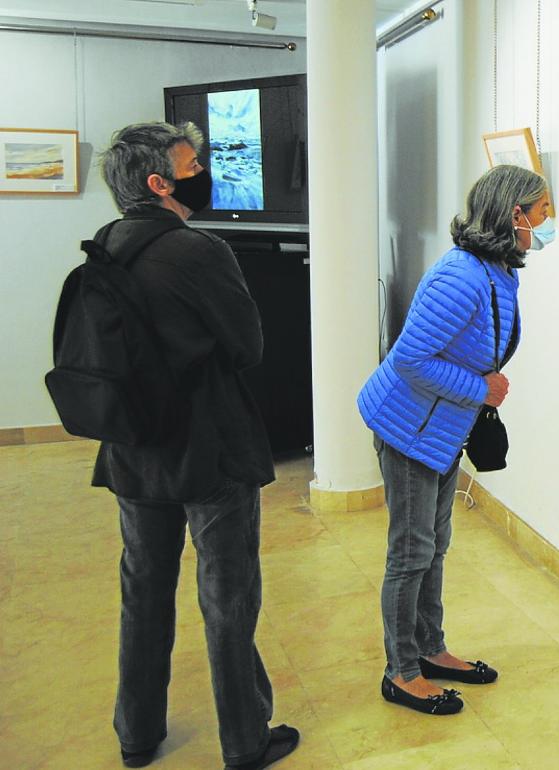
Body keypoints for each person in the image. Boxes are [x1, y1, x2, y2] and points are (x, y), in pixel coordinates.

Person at [93, 121, 299, 769]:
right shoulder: (198, 249)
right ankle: (244, 740)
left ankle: (137, 733)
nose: (202, 171)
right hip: (209, 448)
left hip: (134, 447)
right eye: (192, 164)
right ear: (160, 183)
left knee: (144, 589)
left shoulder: (104, 247)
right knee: (228, 596)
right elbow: (248, 347)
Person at [357, 164, 553, 714]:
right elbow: (410, 358)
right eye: (540, 210)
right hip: (409, 430)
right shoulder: (462, 277)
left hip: (440, 429)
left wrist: (475, 392)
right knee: (411, 552)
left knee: (434, 546)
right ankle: (401, 672)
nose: (545, 220)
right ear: (514, 214)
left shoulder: (495, 269)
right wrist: (480, 387)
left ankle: (430, 649)